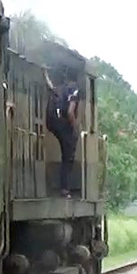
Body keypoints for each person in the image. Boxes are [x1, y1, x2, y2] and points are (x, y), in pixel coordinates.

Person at [43, 68, 80, 197]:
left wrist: (45, 74)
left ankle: (63, 188)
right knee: (68, 157)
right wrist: (74, 128)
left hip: (52, 124)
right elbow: (70, 112)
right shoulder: (74, 88)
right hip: (64, 124)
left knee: (65, 151)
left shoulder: (59, 88)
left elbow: (50, 87)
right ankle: (65, 189)